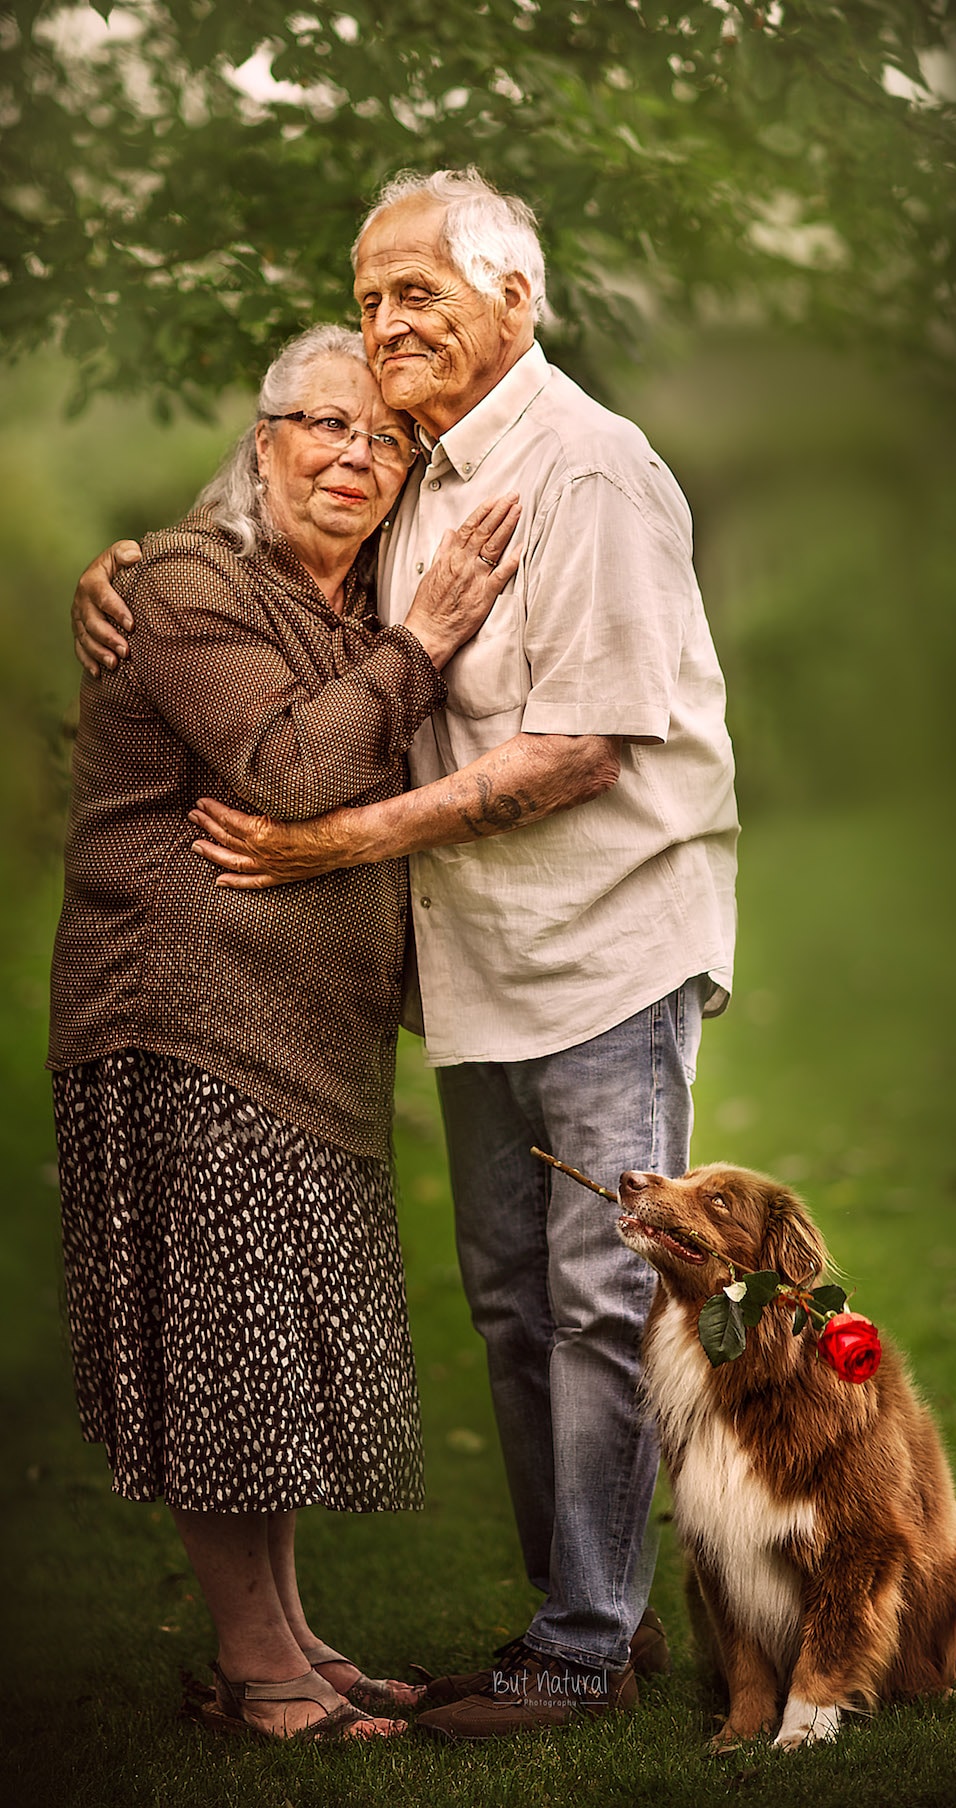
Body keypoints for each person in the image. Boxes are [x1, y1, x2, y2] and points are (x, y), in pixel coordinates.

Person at [71, 167, 740, 1741]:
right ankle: (583, 1621)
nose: (385, 331)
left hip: (606, 947)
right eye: (369, 299)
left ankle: (581, 1642)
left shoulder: (589, 473)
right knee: (516, 1299)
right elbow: (270, 580)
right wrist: (124, 564)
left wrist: (336, 845)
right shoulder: (424, 474)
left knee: (595, 1294)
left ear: (517, 293)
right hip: (481, 966)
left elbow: (581, 750)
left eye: (416, 291)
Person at [51, 321, 520, 1742]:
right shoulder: (193, 582)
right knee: (223, 1356)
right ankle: (258, 1674)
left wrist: (399, 632)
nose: (356, 455)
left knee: (263, 1360)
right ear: (262, 441)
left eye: (384, 439)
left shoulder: (346, 605)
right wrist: (423, 642)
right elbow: (288, 768)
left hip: (298, 1038)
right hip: (183, 1020)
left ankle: (296, 1643)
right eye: (325, 424)